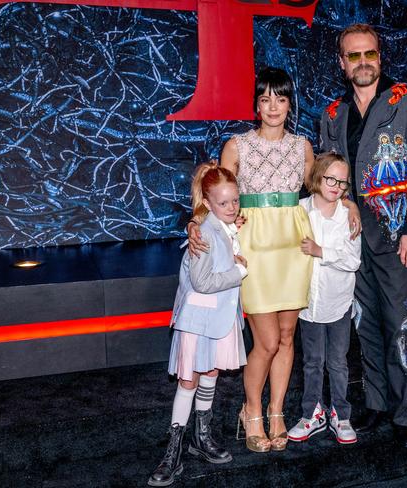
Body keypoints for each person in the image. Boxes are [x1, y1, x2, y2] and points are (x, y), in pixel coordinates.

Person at [188, 67, 361, 453]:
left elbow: (324, 189)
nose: (273, 107)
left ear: (288, 104)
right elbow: (216, 197)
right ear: (256, 104)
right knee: (265, 341)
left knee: (286, 337)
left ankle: (277, 410)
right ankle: (251, 410)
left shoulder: (302, 147)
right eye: (265, 99)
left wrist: (349, 203)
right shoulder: (236, 146)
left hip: (293, 246)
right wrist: (195, 223)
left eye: (280, 99)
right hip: (255, 248)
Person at [319, 24, 407, 448]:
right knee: (364, 325)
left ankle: (402, 412)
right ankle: (374, 403)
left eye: (370, 53)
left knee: (398, 327)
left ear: (380, 57)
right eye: (354, 56)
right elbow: (326, 175)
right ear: (342, 63)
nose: (363, 62)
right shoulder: (333, 114)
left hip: (396, 238)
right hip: (352, 240)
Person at [149, 163, 248, 486]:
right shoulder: (203, 232)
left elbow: (230, 230)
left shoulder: (223, 223)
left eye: (235, 200)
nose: (232, 207)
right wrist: (239, 271)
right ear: (207, 202)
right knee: (188, 381)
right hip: (198, 320)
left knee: (211, 374)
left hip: (220, 317)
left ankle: (201, 437)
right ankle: (173, 450)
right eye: (224, 203)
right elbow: (202, 282)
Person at [286, 152, 361, 445]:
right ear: (318, 176)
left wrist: (321, 252)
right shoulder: (301, 210)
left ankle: (341, 415)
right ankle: (311, 414)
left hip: (339, 302)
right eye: (331, 178)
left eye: (342, 183)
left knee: (338, 362)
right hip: (307, 304)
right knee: (312, 362)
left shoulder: (348, 216)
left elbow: (353, 261)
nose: (336, 186)